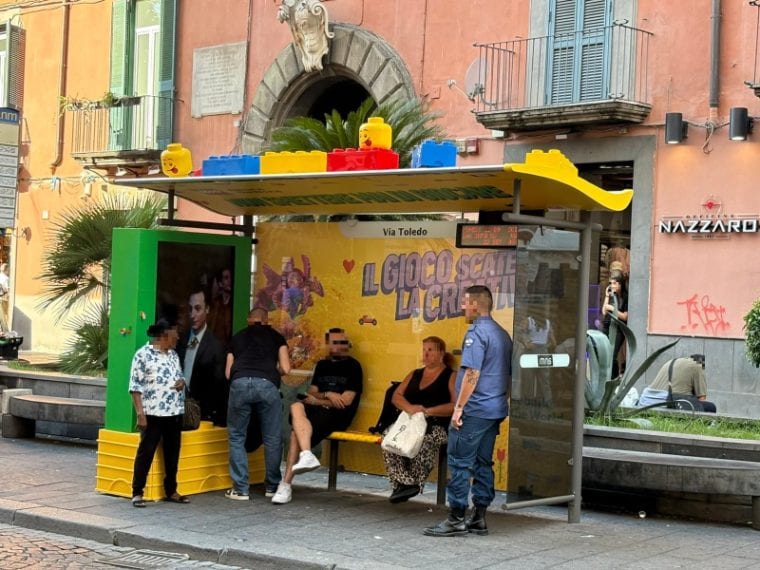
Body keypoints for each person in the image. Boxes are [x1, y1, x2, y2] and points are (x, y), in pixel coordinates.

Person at [424, 285, 512, 538]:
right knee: (483, 462)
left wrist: (459, 408)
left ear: (474, 304)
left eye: (465, 303)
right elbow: (508, 376)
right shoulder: (502, 334)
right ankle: (479, 517)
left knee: (459, 463)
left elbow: (472, 373)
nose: (462, 307)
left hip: (474, 410)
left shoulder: (476, 333)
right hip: (494, 409)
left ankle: (456, 518)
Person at [271, 327, 363, 505]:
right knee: (296, 405)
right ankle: (306, 455)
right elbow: (312, 392)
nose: (340, 345)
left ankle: (286, 484)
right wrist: (328, 394)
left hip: (338, 415)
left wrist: (318, 400)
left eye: (343, 342)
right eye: (336, 342)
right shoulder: (322, 365)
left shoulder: (353, 366)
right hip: (319, 409)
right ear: (329, 345)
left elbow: (345, 402)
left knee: (296, 432)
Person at [225, 307, 291, 500]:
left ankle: (240, 489)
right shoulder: (277, 337)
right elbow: (286, 368)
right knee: (272, 438)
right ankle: (272, 486)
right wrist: (272, 372)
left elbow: (228, 373)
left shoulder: (237, 338)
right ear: (267, 320)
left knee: (237, 436)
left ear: (248, 320)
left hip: (239, 383)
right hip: (267, 385)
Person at [383, 336, 455, 503]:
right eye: (424, 350)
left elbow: (454, 405)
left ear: (441, 353)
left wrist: (428, 411)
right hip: (410, 422)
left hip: (435, 424)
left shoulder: (450, 376)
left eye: (430, 350)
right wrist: (410, 408)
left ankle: (409, 484)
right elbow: (396, 396)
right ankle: (405, 483)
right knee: (388, 438)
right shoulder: (414, 374)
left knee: (426, 439)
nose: (426, 354)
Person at [128, 319, 189, 507]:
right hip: (153, 413)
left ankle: (171, 490)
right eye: (175, 334)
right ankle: (137, 492)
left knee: (172, 453)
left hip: (173, 412)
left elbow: (179, 376)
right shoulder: (143, 355)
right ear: (164, 335)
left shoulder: (173, 355)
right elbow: (135, 386)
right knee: (146, 452)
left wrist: (181, 382)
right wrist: (140, 414)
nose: (178, 337)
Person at [175, 287, 226, 425]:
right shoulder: (181, 340)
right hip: (176, 408)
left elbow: (218, 384)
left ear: (207, 309)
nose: (193, 315)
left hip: (202, 413)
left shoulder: (216, 346)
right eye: (190, 309)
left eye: (198, 309)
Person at [638, 354, 716, 412]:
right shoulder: (698, 365)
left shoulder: (673, 361)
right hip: (665, 403)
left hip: (645, 401)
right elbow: (702, 398)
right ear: (702, 363)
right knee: (710, 407)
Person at [601, 271, 628, 378]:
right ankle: (608, 377)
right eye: (610, 283)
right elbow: (604, 312)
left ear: (620, 284)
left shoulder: (626, 297)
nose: (612, 286)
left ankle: (612, 379)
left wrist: (613, 308)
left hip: (618, 329)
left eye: (614, 283)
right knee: (604, 354)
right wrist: (607, 296)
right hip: (607, 327)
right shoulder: (612, 295)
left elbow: (625, 316)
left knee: (612, 356)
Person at [210, 267, 233, 345]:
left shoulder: (234, 303)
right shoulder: (216, 304)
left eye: (231, 277)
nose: (230, 280)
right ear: (220, 283)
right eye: (226, 278)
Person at [0, 262, 9, 331]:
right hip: (4, 299)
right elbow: (7, 289)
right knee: (4, 317)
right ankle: (4, 331)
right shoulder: (6, 278)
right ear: (6, 270)